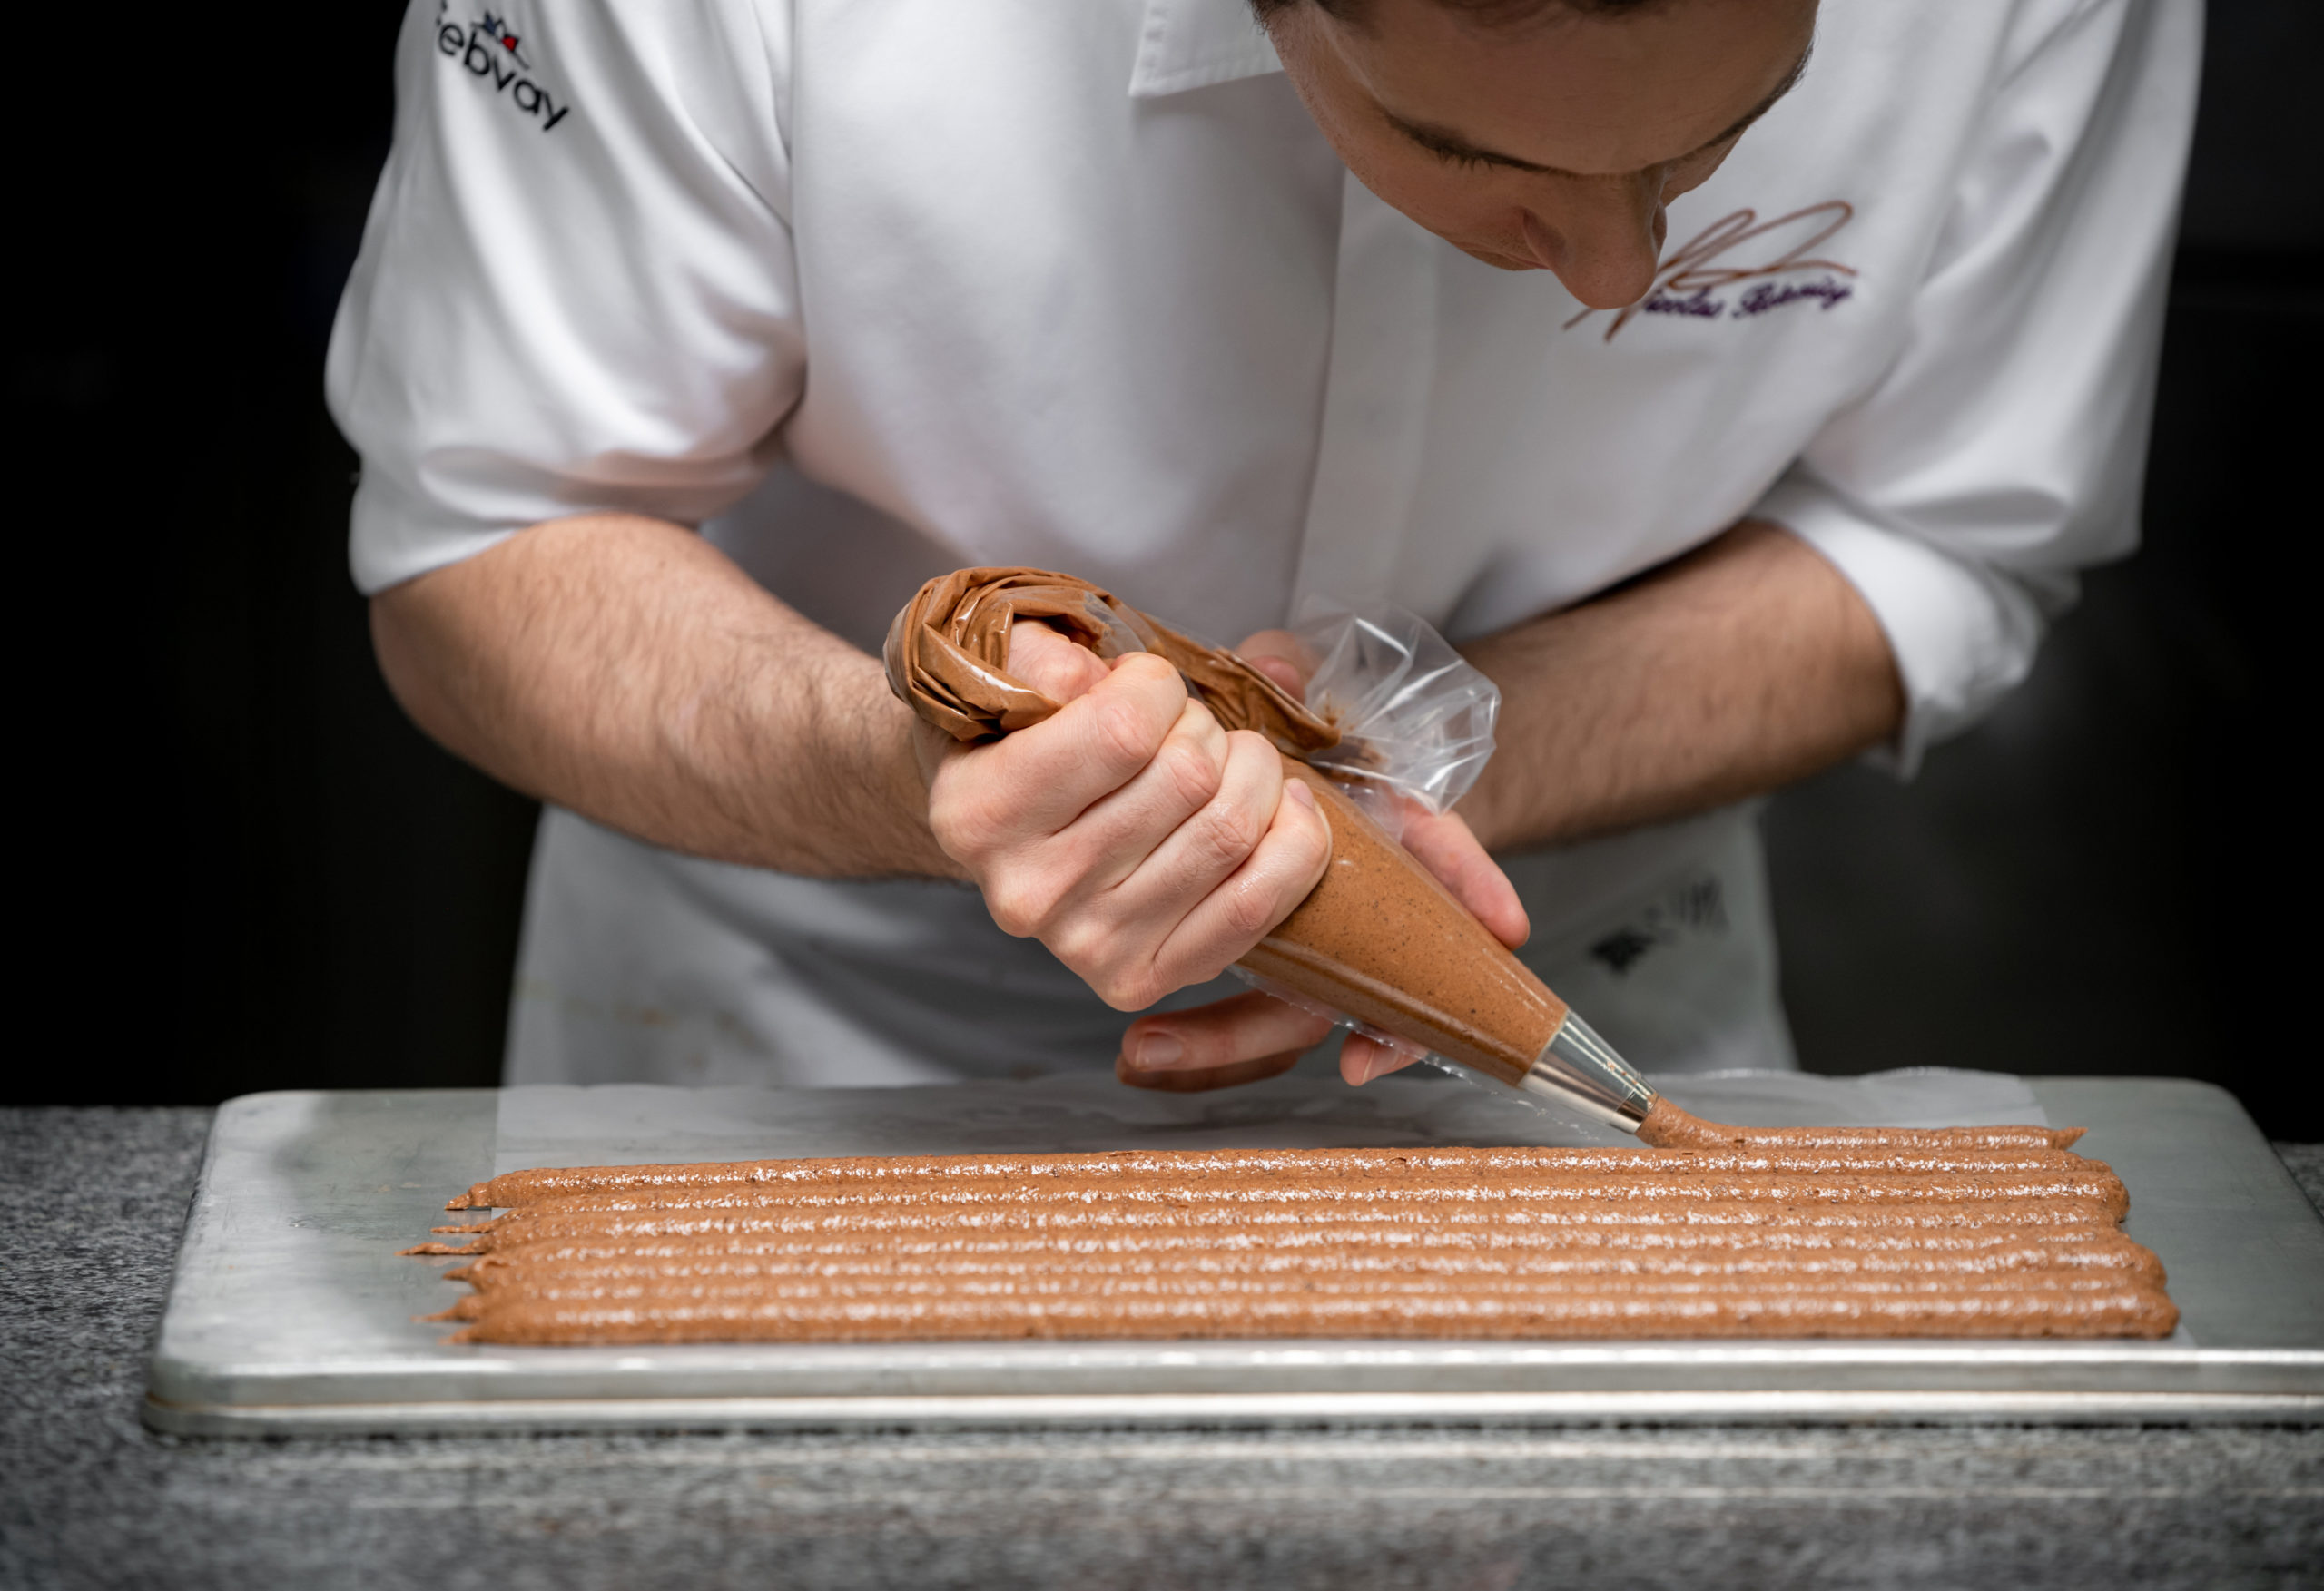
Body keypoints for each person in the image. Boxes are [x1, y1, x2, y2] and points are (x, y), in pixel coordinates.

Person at [330, 0, 2196, 1093]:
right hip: (803, 1036)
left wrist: (1384, 782)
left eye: (1730, 137)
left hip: (1581, 998)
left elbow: (1940, 531)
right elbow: (493, 533)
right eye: (1473, 153)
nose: (1625, 278)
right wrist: (942, 778)